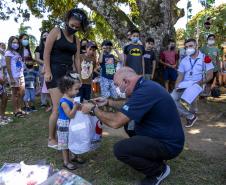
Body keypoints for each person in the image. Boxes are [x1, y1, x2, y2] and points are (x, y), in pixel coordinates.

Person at [81, 67, 185, 185]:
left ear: (126, 81)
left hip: (169, 145)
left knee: (121, 149)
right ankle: (152, 156)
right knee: (130, 126)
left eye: (117, 84)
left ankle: (159, 171)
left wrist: (94, 109)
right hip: (163, 135)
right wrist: (108, 102)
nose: (116, 88)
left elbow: (116, 122)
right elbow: (128, 105)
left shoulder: (145, 91)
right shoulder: (145, 85)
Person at [44, 8, 88, 148]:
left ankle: (65, 134)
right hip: (54, 73)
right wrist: (47, 71)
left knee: (68, 106)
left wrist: (79, 76)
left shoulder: (76, 39)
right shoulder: (56, 31)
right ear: (67, 20)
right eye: (72, 25)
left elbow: (76, 59)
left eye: (77, 27)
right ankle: (51, 138)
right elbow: (47, 52)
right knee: (57, 108)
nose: (74, 28)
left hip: (68, 75)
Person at [171, 38, 214, 128]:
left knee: (187, 100)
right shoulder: (184, 60)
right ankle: (190, 116)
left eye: (190, 46)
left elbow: (210, 75)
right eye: (186, 47)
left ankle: (191, 112)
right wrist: (176, 85)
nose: (188, 48)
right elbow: (180, 75)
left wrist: (199, 82)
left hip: (197, 84)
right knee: (171, 99)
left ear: (196, 46)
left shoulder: (205, 58)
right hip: (184, 84)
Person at [57, 72, 81, 170]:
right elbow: (70, 115)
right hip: (64, 125)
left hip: (71, 124)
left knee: (74, 139)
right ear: (67, 89)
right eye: (76, 89)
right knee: (65, 144)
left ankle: (74, 156)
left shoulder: (72, 98)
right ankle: (66, 162)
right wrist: (75, 106)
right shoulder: (63, 102)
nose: (78, 91)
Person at [5, 36, 26, 118]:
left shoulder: (17, 53)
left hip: (20, 75)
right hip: (13, 76)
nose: (16, 44)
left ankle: (19, 109)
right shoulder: (8, 53)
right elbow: (8, 66)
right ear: (10, 43)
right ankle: (15, 111)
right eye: (14, 42)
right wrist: (11, 78)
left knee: (21, 93)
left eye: (17, 42)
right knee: (15, 94)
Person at [35, 31, 49, 108]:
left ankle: (51, 101)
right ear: (41, 37)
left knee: (50, 84)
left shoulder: (53, 46)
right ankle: (43, 102)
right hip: (42, 67)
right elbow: (37, 59)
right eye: (44, 35)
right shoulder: (38, 48)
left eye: (47, 35)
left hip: (51, 66)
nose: (46, 36)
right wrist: (45, 63)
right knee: (43, 84)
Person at [0, 42, 11, 124]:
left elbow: (4, 67)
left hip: (2, 81)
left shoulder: (3, 55)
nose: (3, 47)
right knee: (4, 97)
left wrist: (5, 77)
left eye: (4, 46)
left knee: (5, 98)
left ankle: (2, 116)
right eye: (1, 46)